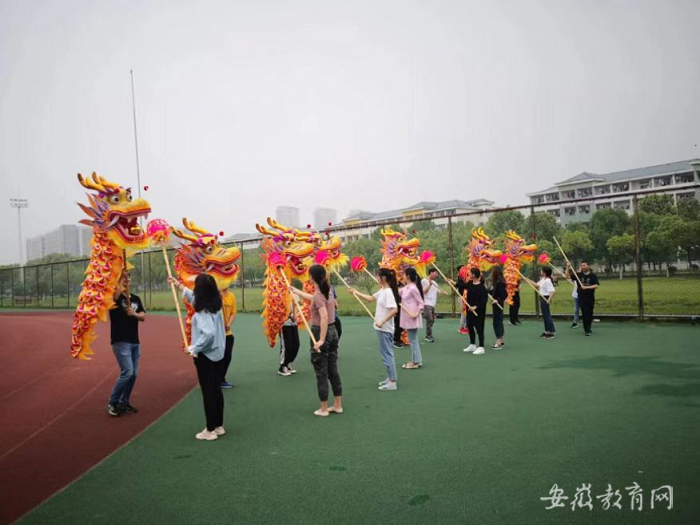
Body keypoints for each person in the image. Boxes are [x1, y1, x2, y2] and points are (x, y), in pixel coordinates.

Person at [169, 274, 226, 441]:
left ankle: (210, 430)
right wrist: (179, 285)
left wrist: (194, 347)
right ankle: (218, 425)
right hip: (218, 354)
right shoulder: (215, 304)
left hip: (206, 356)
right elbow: (195, 297)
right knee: (215, 390)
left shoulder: (202, 312)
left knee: (208, 392)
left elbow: (208, 334)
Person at [291, 265, 343, 416]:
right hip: (333, 331)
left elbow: (324, 316)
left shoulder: (320, 294)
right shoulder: (328, 290)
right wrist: (297, 291)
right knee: (333, 369)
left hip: (322, 331)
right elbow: (315, 299)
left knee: (321, 370)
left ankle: (324, 408)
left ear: (312, 277)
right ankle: (337, 405)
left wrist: (320, 339)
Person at [349, 268, 399, 391]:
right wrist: (356, 292)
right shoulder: (382, 290)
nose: (376, 278)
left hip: (385, 329)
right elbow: (371, 298)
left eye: (377, 276)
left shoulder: (388, 292)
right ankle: (390, 378)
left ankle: (392, 381)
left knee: (387, 354)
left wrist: (382, 321)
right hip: (380, 328)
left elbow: (394, 310)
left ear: (383, 278)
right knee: (385, 353)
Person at [107, 271, 145, 417]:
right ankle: (113, 402)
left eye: (128, 277)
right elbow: (116, 292)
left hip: (135, 341)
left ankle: (124, 402)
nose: (126, 280)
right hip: (120, 341)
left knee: (133, 374)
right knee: (127, 372)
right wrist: (119, 276)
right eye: (123, 278)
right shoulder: (115, 298)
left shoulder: (135, 299)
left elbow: (143, 316)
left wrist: (134, 314)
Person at [399, 267, 425, 369]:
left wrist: (416, 313)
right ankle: (417, 360)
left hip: (412, 317)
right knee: (413, 339)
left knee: (413, 339)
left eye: (404, 275)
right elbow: (398, 292)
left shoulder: (413, 288)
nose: (403, 276)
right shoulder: (407, 287)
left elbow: (421, 303)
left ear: (408, 276)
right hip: (408, 317)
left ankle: (415, 362)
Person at [463, 268, 488, 355]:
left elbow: (484, 301)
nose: (468, 274)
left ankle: (481, 347)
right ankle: (472, 344)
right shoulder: (470, 283)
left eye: (469, 273)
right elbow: (462, 286)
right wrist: (452, 282)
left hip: (479, 311)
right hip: (469, 309)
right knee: (469, 326)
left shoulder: (482, 288)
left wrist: (475, 307)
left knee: (479, 328)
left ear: (473, 275)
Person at [572, 261, 600, 336]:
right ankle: (587, 330)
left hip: (590, 297)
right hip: (581, 297)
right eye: (581, 266)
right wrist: (568, 267)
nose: (582, 267)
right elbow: (567, 276)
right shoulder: (578, 275)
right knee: (584, 313)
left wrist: (586, 287)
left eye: (584, 265)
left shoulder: (593, 275)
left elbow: (596, 285)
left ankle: (588, 327)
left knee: (589, 313)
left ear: (588, 266)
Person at [421, 268, 447, 342]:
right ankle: (428, 336)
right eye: (436, 273)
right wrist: (429, 284)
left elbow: (438, 291)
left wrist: (443, 292)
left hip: (432, 304)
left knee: (432, 321)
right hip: (426, 303)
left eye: (437, 273)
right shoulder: (424, 281)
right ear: (431, 273)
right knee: (430, 319)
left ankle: (429, 335)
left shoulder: (435, 283)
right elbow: (424, 292)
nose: (437, 275)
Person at [220, 288, 236, 388]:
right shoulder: (214, 295)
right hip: (216, 334)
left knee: (227, 356)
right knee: (216, 358)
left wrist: (229, 324)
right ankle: (211, 379)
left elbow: (233, 312)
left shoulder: (231, 296)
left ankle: (221, 379)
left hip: (227, 333)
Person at [278, 301, 300, 376]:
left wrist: (294, 315)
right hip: (284, 324)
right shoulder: (280, 293)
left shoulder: (293, 292)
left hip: (293, 323)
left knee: (296, 345)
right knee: (287, 346)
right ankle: (283, 366)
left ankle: (287, 363)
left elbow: (296, 306)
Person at [535, 267, 556, 339]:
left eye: (541, 271)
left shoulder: (548, 280)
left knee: (547, 315)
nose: (540, 271)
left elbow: (552, 291)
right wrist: (527, 279)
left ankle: (551, 332)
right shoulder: (543, 279)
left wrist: (549, 300)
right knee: (545, 315)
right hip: (542, 298)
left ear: (544, 272)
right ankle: (547, 331)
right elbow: (536, 285)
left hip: (546, 298)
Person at [490, 265, 507, 349]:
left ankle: (499, 341)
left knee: (497, 322)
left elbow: (504, 295)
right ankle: (501, 340)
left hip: (498, 305)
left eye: (492, 272)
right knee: (499, 321)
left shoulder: (499, 283)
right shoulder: (497, 282)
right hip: (496, 304)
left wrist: (497, 300)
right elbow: (493, 292)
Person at [455, 266, 469, 335]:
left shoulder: (464, 278)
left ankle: (466, 326)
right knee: (464, 312)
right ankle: (461, 327)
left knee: (465, 312)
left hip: (464, 297)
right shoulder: (460, 278)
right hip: (462, 297)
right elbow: (461, 286)